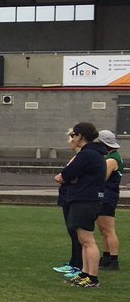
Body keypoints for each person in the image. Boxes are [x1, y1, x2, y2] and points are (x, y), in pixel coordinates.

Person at [54, 123, 105, 288]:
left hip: (85, 200)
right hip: (87, 198)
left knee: (88, 240)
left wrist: (68, 177)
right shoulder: (94, 153)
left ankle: (93, 278)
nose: (72, 139)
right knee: (83, 240)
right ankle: (85, 273)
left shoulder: (87, 154)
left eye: (74, 135)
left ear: (81, 136)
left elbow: (66, 174)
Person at [97, 129, 121, 272]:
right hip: (107, 195)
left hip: (108, 196)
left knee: (108, 229)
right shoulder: (112, 157)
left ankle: (113, 259)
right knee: (104, 229)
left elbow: (101, 178)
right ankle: (106, 257)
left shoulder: (111, 160)